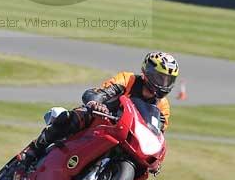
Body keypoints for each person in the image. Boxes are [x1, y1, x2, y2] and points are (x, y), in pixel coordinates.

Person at [19, 50, 179, 168]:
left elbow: (158, 134)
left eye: (168, 80)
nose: (163, 83)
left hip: (128, 138)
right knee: (71, 119)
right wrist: (97, 103)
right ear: (147, 72)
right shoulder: (128, 79)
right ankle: (34, 149)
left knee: (141, 166)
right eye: (160, 77)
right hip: (101, 119)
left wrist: (156, 157)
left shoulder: (163, 106)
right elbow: (101, 92)